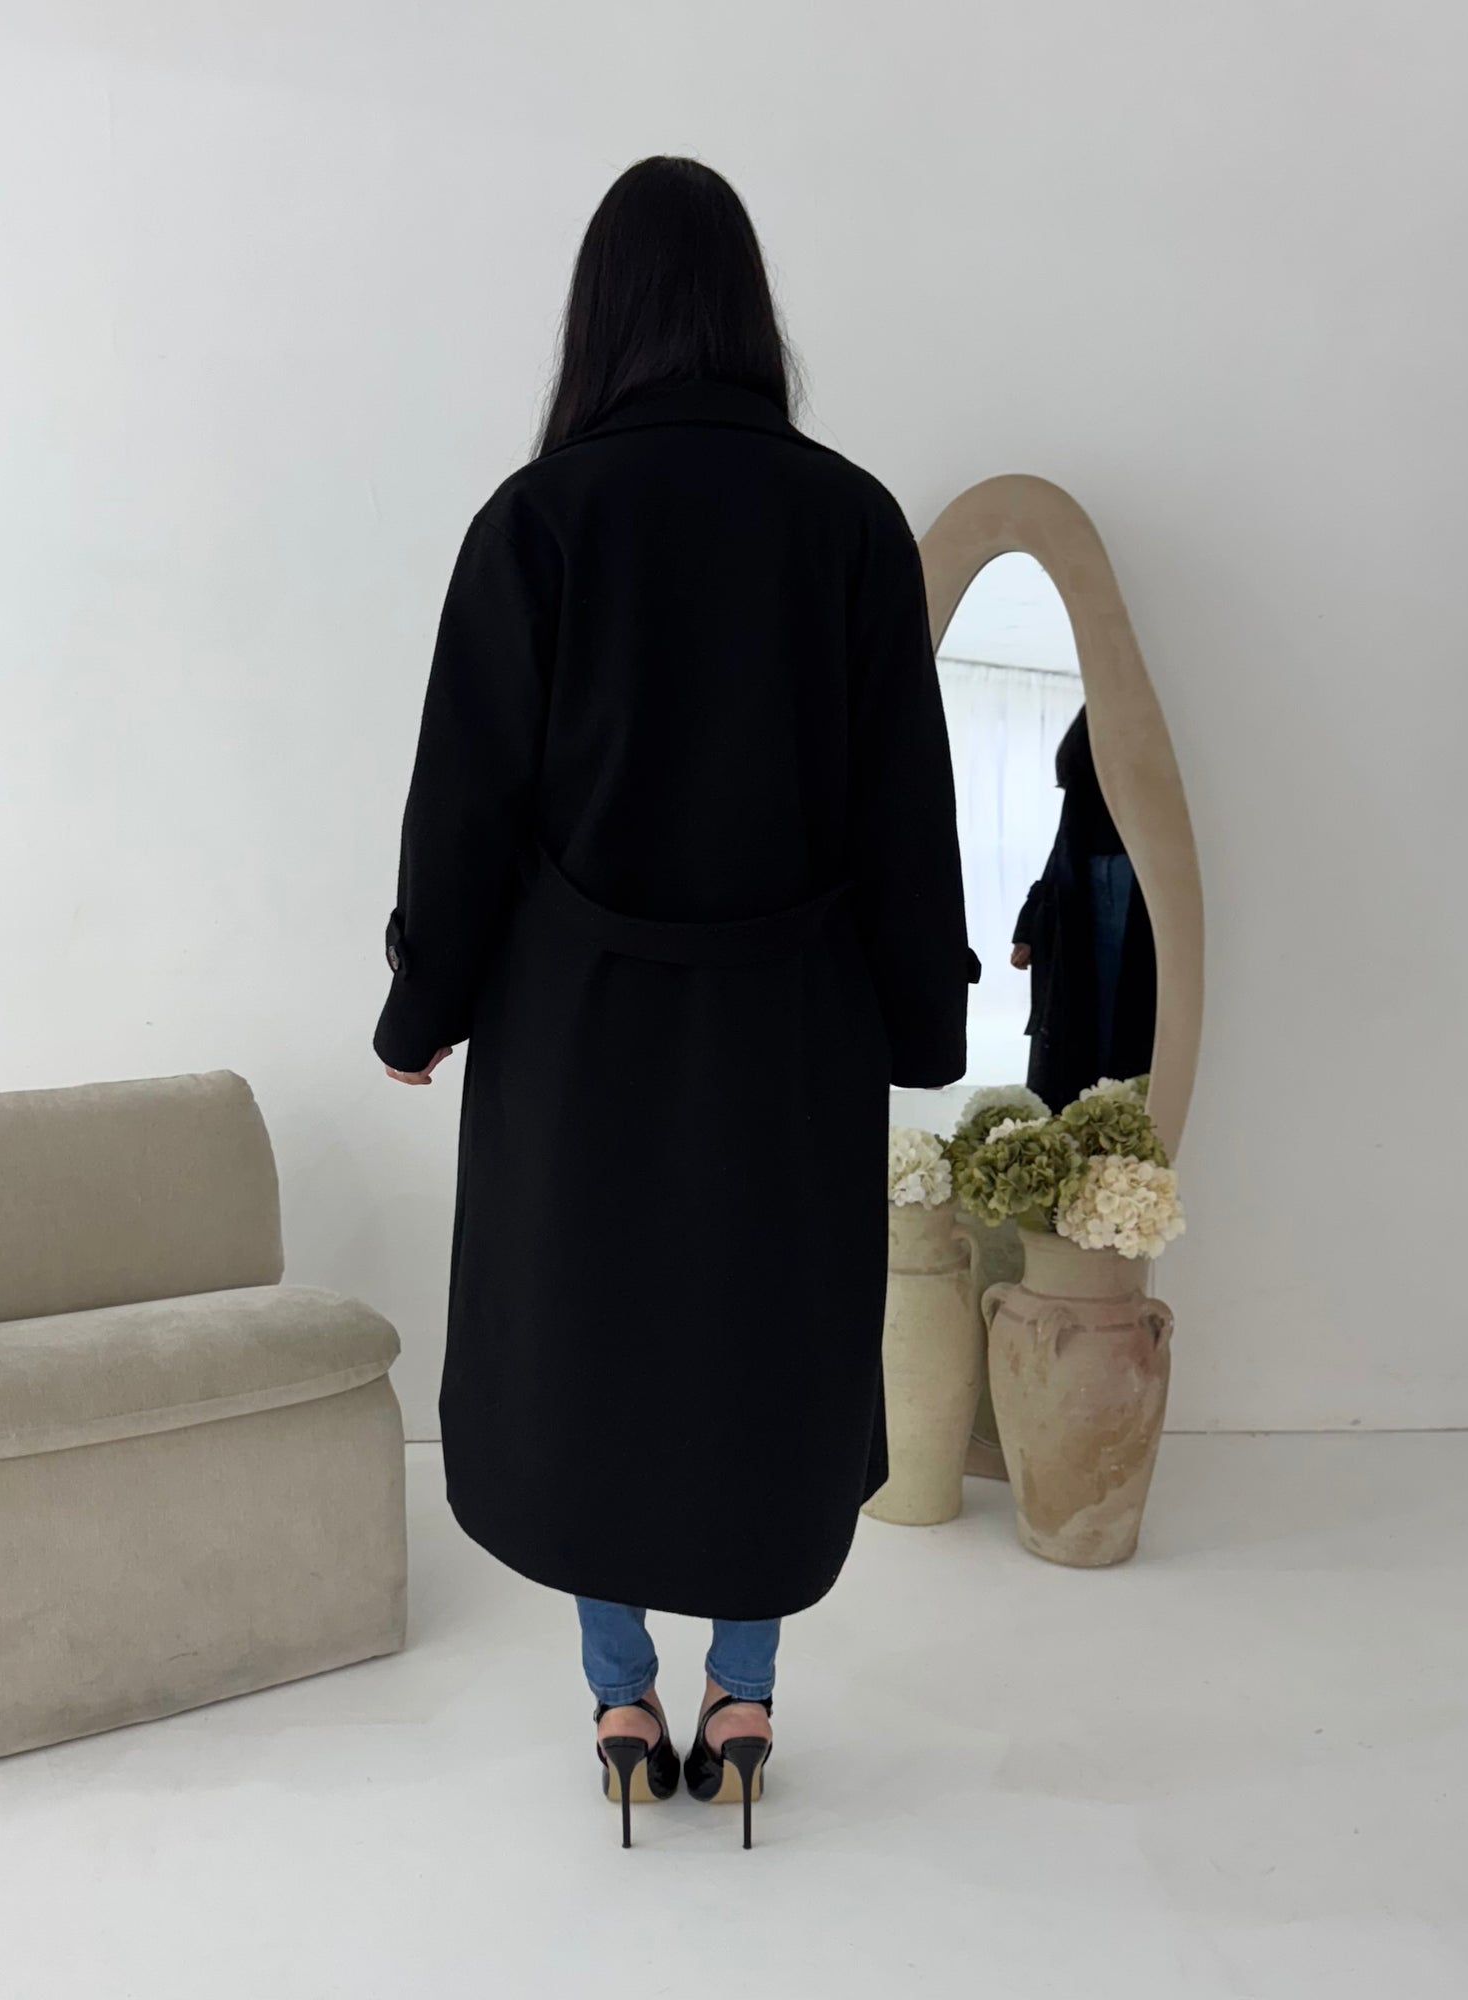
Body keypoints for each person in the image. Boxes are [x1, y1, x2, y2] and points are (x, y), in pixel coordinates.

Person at [374, 157, 976, 1849]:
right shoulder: (851, 523)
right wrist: (920, 1025)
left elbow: (467, 800)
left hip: (580, 1031)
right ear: (748, 313)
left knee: (597, 1346)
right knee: (760, 1345)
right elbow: (904, 810)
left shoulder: (540, 519)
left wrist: (425, 1005)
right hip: (793, 1034)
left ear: (602, 316)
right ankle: (748, 1700)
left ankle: (623, 1699)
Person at [1010, 707, 1156, 1109]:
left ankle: (1120, 1114)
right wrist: (1027, 929)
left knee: (1126, 1018)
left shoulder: (1154, 739)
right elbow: (1060, 851)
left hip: (1137, 879)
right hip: (1089, 881)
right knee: (1086, 1019)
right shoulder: (1092, 735)